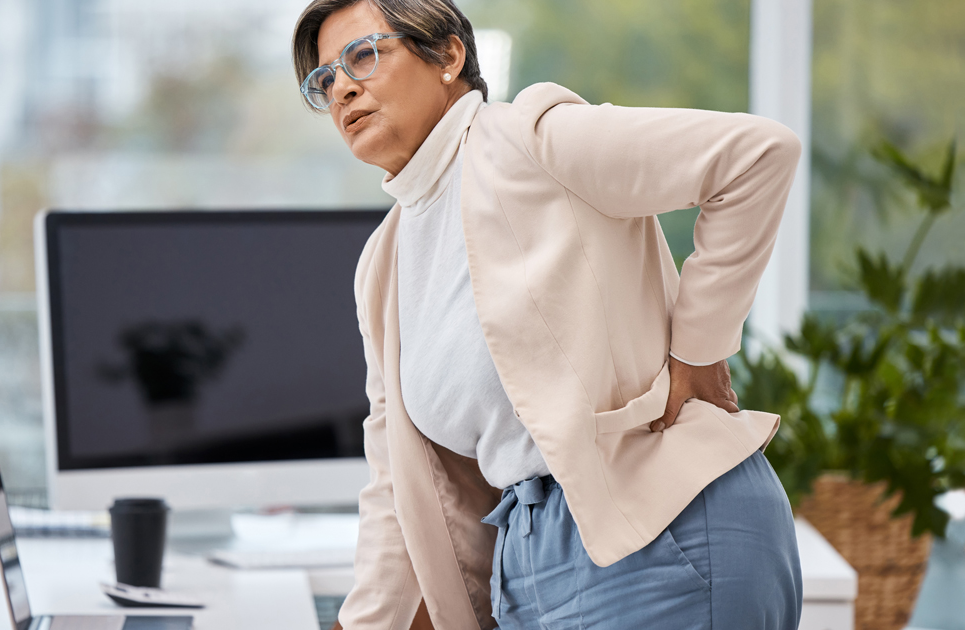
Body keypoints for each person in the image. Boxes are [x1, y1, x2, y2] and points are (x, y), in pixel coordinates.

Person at [291, 1, 804, 628]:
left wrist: (700, 349)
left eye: (363, 55)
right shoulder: (383, 263)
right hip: (524, 566)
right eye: (323, 80)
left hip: (661, 529)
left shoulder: (529, 138)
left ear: (448, 56)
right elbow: (395, 483)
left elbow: (756, 156)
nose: (341, 86)